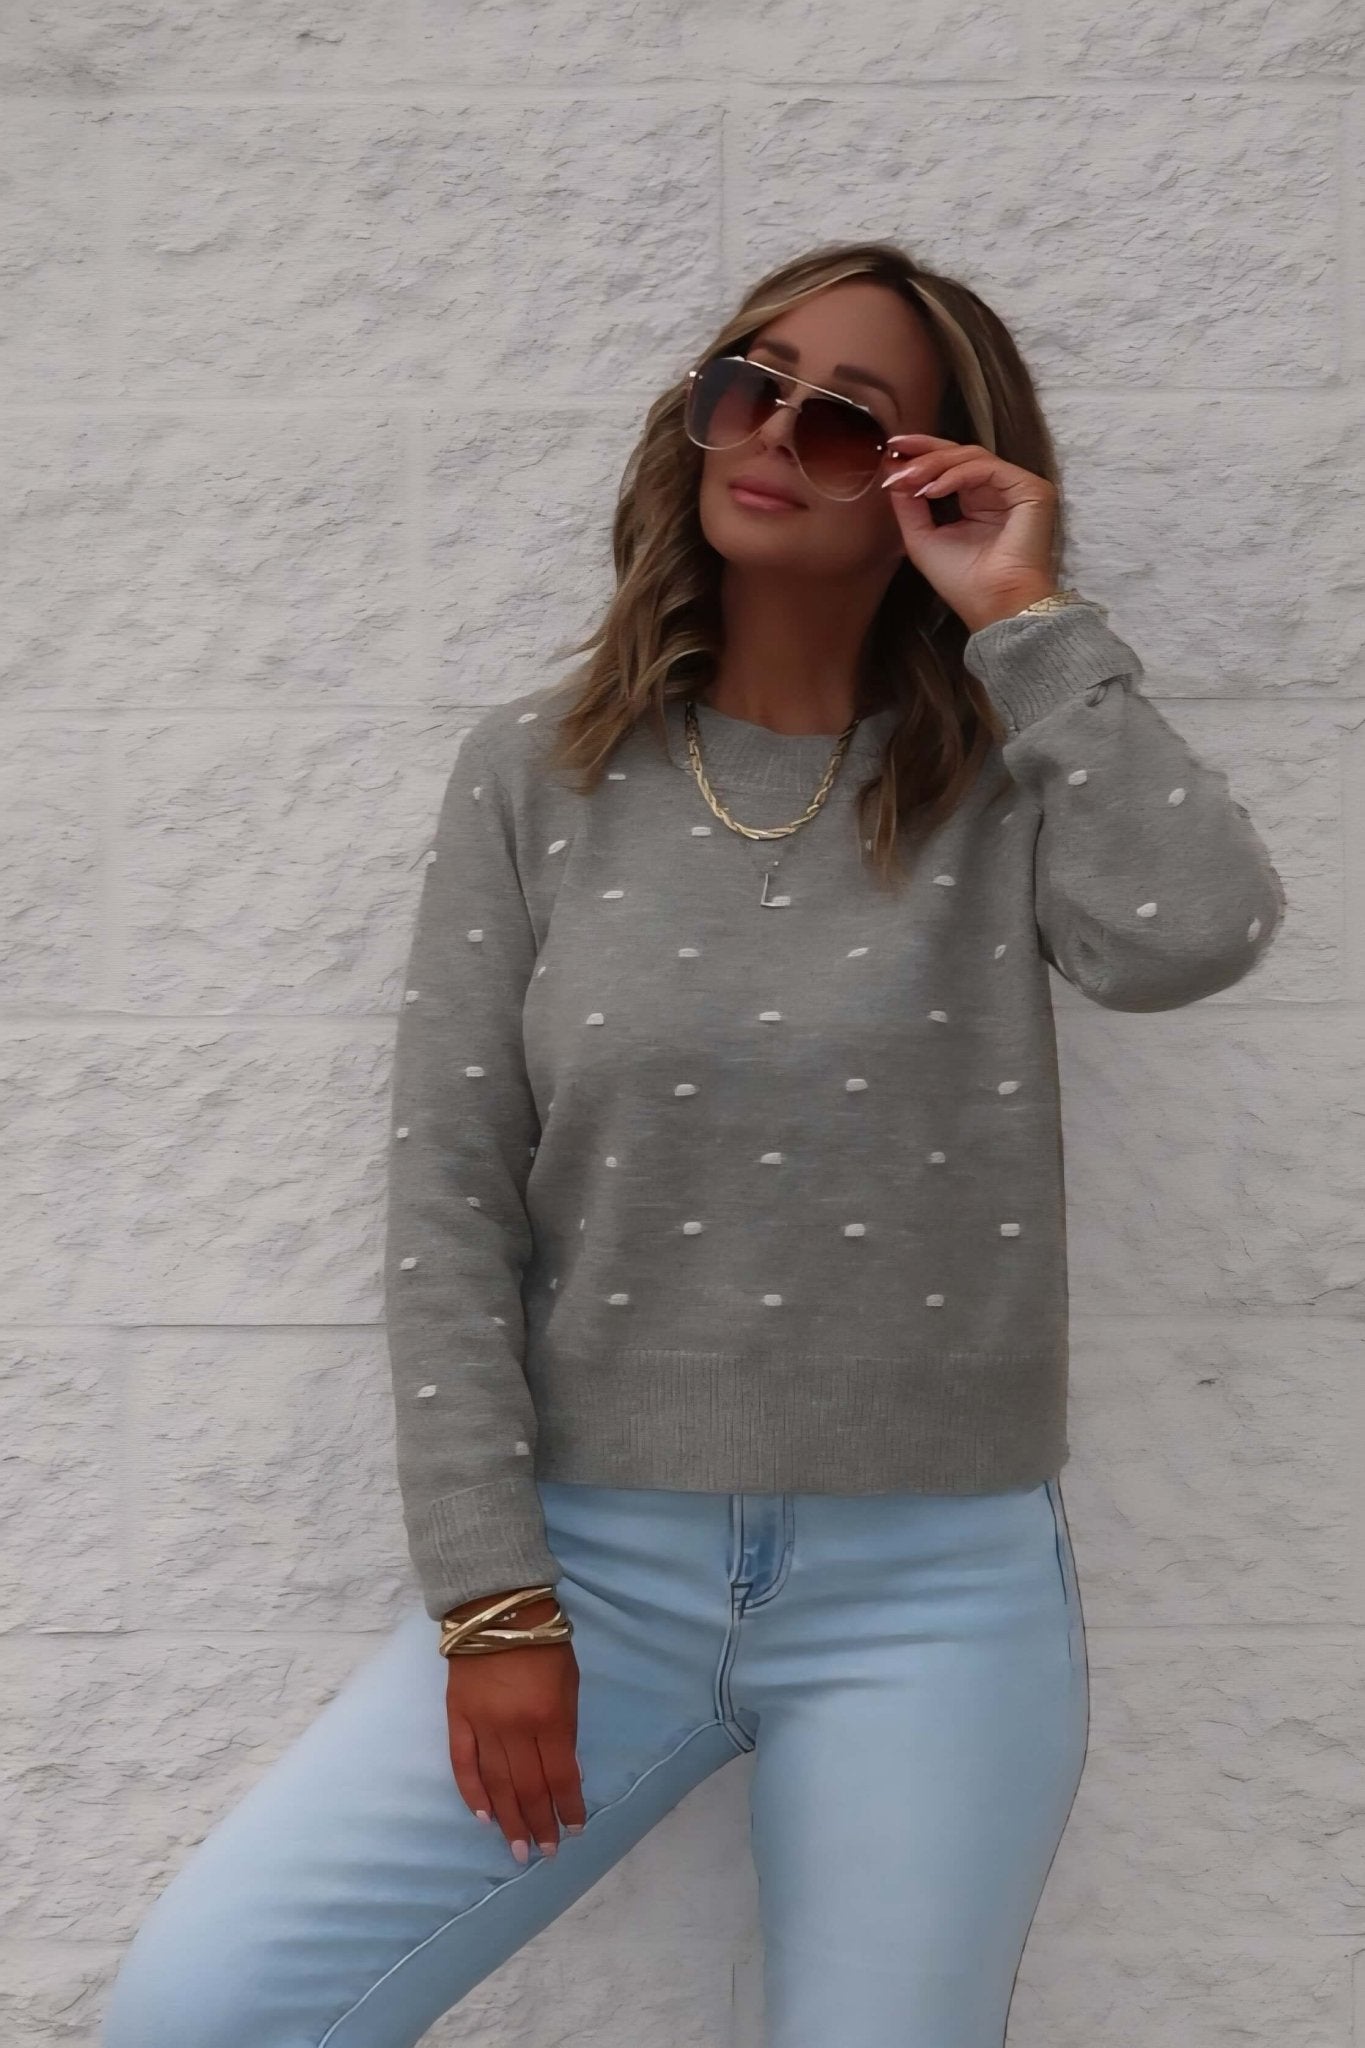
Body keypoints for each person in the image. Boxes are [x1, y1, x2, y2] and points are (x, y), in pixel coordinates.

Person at [100, 238, 1285, 2048]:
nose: (777, 435)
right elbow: (448, 1201)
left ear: (926, 479)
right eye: (751, 383)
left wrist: (1028, 620)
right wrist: (495, 1604)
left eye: (848, 421)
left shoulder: (1003, 779)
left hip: (933, 1590)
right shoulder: (539, 773)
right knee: (202, 2014)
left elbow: (1190, 934)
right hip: (592, 1569)